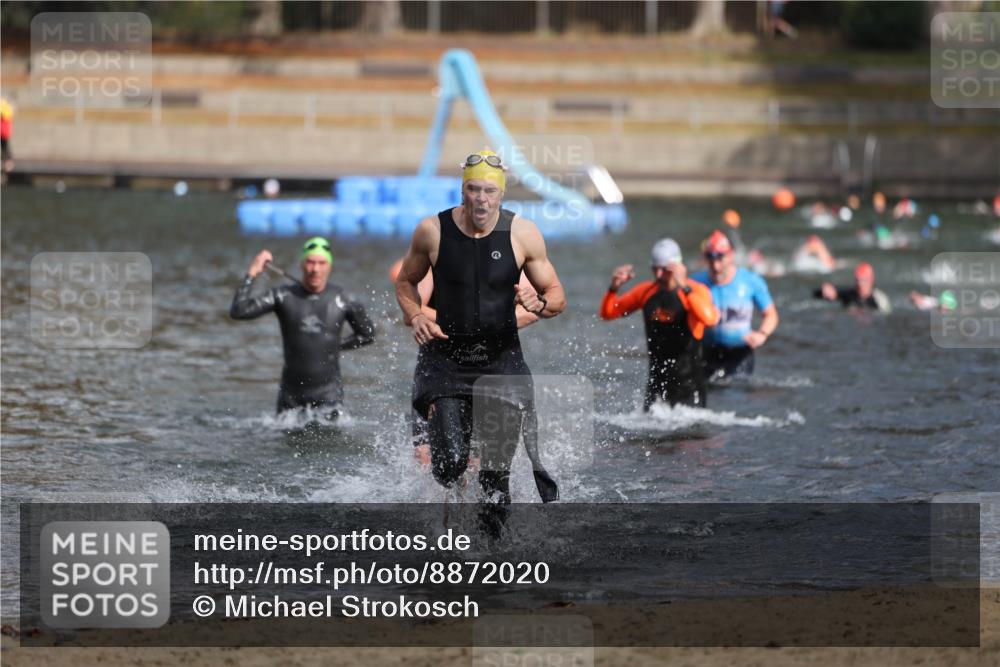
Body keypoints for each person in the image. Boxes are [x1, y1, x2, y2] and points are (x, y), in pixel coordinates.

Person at [394, 150, 565, 519]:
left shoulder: (523, 234)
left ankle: (492, 558)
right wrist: (414, 315)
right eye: (473, 189)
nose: (481, 199)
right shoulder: (432, 231)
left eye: (489, 190)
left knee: (495, 480)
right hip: (446, 364)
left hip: (501, 366)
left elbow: (557, 298)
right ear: (462, 191)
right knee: (450, 465)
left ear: (501, 194)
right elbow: (405, 282)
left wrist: (537, 305)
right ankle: (451, 516)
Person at [387, 259, 540, 464]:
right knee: (427, 457)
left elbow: (532, 311)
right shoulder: (437, 252)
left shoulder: (509, 254)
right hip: (438, 368)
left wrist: (486, 324)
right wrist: (460, 322)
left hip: (488, 368)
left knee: (476, 460)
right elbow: (413, 311)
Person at [230, 237, 375, 418]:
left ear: (329, 266)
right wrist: (252, 272)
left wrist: (334, 346)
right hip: (290, 398)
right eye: (310, 262)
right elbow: (239, 311)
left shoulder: (344, 299)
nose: (315, 269)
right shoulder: (282, 295)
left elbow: (368, 335)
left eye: (321, 263)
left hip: (329, 396)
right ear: (301, 264)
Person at [599, 238, 719, 410]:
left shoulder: (695, 291)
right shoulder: (646, 291)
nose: (659, 275)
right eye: (655, 269)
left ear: (677, 267)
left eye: (665, 270)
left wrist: (684, 285)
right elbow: (608, 314)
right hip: (657, 386)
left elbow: (709, 319)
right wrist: (613, 288)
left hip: (690, 389)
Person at [691, 230, 779, 381]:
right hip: (706, 352)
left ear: (731, 255)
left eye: (720, 258)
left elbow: (771, 314)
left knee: (737, 395)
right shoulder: (694, 283)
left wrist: (762, 334)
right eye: (710, 258)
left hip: (740, 354)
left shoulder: (750, 281)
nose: (715, 265)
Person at [814, 262, 891, 313]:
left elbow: (884, 315)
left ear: (871, 280)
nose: (860, 284)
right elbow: (817, 294)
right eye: (858, 280)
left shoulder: (879, 299)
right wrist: (825, 291)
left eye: (864, 280)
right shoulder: (849, 293)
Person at [1, 97, 13, 174]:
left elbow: (7, 117)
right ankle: (5, 163)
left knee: (5, 147)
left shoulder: (5, 109)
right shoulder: (7, 108)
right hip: (4, 132)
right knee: (5, 148)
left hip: (3, 132)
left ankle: (8, 163)